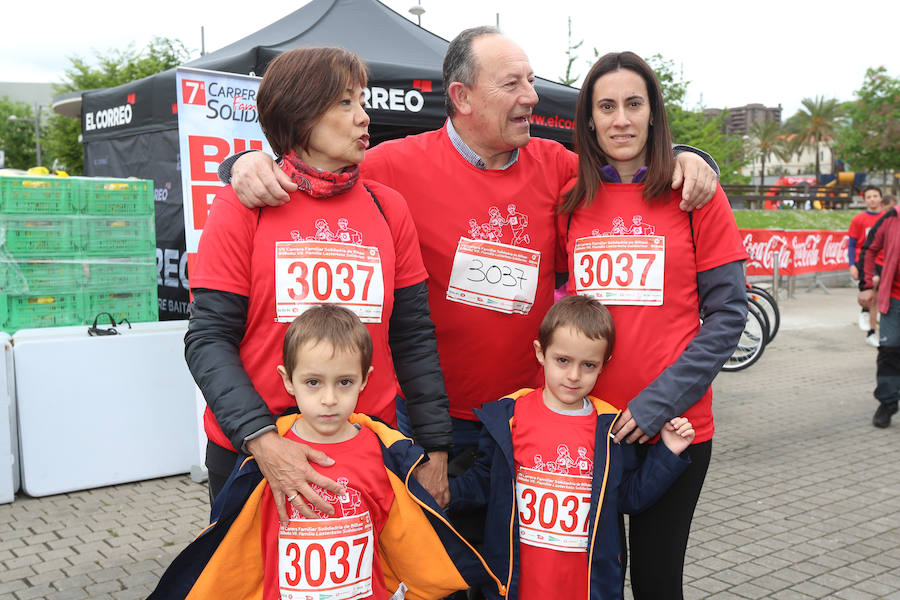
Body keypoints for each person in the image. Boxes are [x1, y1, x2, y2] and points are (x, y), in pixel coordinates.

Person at [221, 28, 721, 492]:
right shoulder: (394, 166)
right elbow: (310, 163)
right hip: (436, 420)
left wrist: (690, 157)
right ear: (461, 97)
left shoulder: (557, 165)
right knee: (447, 570)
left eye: (530, 80)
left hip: (530, 413)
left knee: (515, 570)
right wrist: (242, 162)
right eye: (513, 84)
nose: (531, 95)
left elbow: (624, 169)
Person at [185, 47, 451, 521]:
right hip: (256, 454)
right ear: (301, 113)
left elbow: (412, 337)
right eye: (346, 103)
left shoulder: (388, 208)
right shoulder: (244, 204)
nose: (364, 116)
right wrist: (263, 442)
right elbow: (208, 338)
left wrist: (434, 448)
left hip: (365, 447)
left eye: (362, 101)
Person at [150, 305, 504, 599]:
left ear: (365, 379)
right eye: (313, 382)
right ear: (287, 380)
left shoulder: (384, 452)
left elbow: (401, 541)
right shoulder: (269, 455)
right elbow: (239, 544)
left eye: (344, 382)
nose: (330, 398)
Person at [557, 52, 747, 599]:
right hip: (586, 428)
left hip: (672, 431)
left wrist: (656, 403)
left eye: (633, 104)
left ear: (653, 113)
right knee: (595, 580)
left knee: (658, 581)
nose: (621, 119)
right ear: (589, 119)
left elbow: (729, 314)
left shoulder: (695, 196)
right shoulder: (570, 199)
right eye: (607, 106)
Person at [448, 295, 695, 599]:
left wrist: (668, 452)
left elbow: (628, 496)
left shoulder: (608, 429)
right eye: (563, 360)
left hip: (584, 586)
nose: (574, 376)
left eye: (588, 365)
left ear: (603, 365)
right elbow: (485, 482)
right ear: (541, 353)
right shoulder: (509, 417)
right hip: (517, 583)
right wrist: (441, 492)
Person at [857, 203, 900, 427]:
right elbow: (869, 249)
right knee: (890, 348)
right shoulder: (892, 217)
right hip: (894, 298)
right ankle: (888, 401)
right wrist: (865, 285)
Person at [849, 185, 884, 346]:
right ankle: (870, 330)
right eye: (869, 197)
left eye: (875, 196)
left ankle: (878, 328)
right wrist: (852, 265)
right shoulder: (858, 219)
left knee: (881, 298)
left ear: (881, 198)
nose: (872, 199)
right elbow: (852, 244)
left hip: (884, 261)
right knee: (871, 295)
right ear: (864, 200)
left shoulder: (887, 218)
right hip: (864, 261)